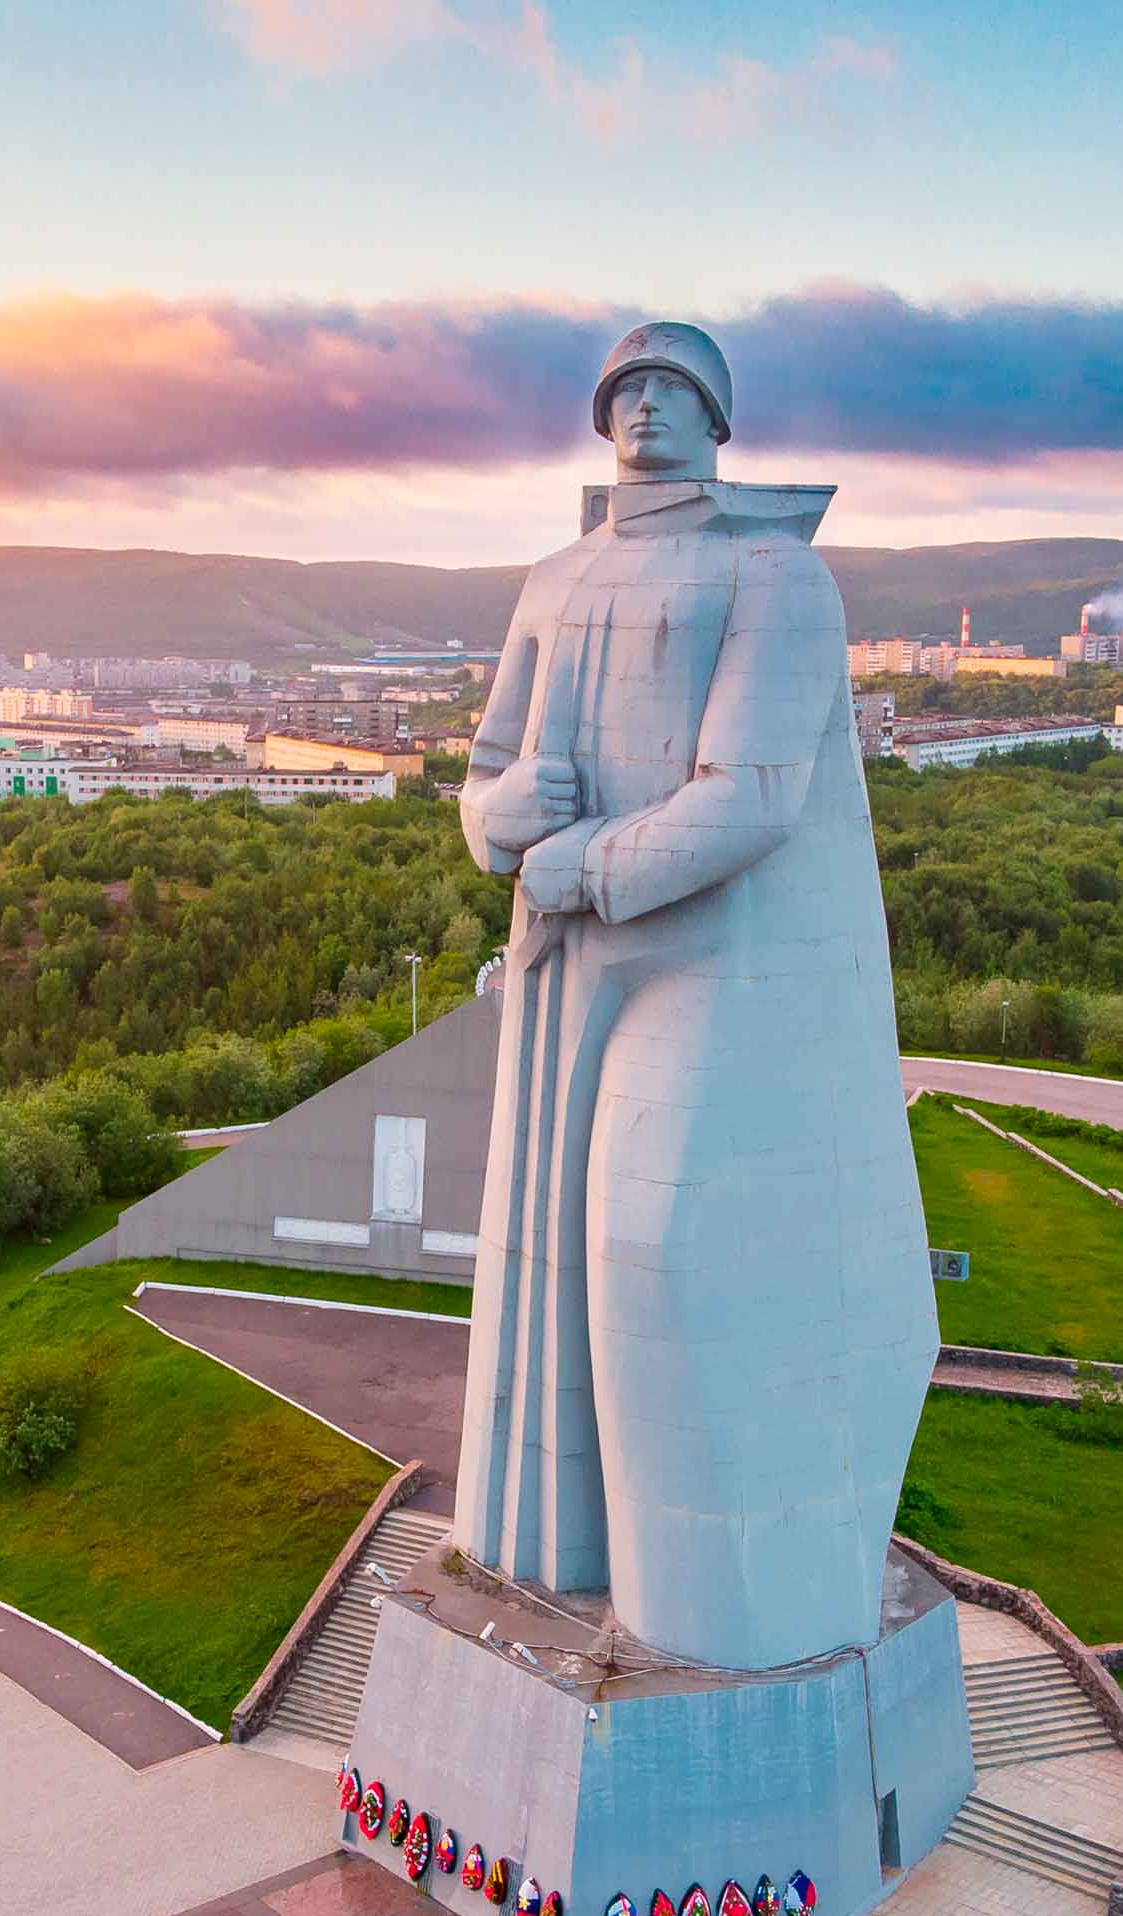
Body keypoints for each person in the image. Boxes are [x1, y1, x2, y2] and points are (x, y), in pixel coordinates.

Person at [452, 322, 937, 1670]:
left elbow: (754, 797)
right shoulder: (554, 577)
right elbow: (483, 771)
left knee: (654, 1249)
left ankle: (717, 1612)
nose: (646, 410)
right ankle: (558, 1562)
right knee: (546, 1252)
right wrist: (498, 817)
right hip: (568, 952)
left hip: (707, 947)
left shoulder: (775, 576)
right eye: (626, 391)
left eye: (674, 391)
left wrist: (573, 867)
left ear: (718, 422)